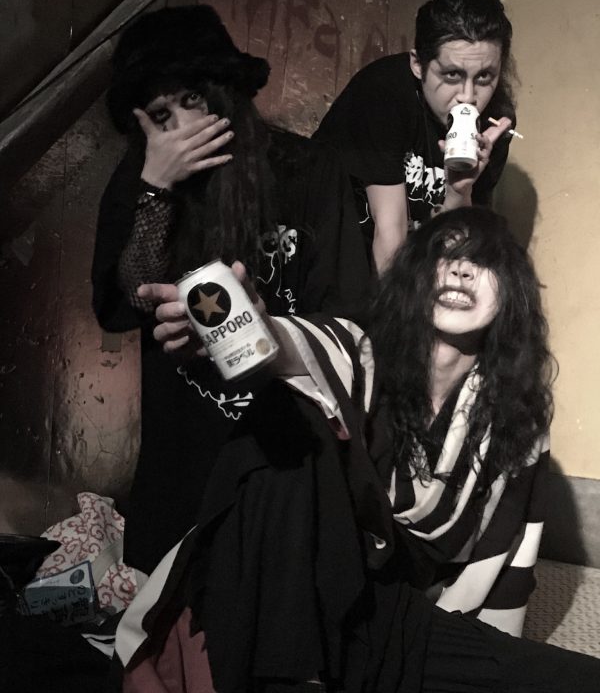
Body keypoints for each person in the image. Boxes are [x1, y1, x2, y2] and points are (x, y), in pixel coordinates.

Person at [112, 208, 600, 693]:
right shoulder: (358, 350)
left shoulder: (517, 419)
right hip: (299, 584)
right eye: (443, 254)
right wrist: (251, 327)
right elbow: (295, 348)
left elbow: (509, 556)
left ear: (512, 293)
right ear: (415, 276)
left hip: (392, 616)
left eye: (484, 260)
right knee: (293, 420)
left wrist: (486, 649)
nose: (460, 269)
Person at [91, 4, 370, 575]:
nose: (180, 128)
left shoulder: (307, 169)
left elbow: (349, 315)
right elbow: (127, 302)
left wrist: (269, 330)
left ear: (225, 91)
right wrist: (155, 190)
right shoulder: (142, 179)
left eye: (192, 99)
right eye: (161, 114)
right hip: (184, 459)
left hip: (287, 451)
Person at [313, 0, 516, 273]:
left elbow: (455, 241)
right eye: (452, 74)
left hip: (413, 264)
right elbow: (389, 234)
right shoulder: (385, 93)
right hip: (331, 256)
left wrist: (459, 191)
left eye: (484, 77)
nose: (468, 96)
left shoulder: (495, 120)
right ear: (418, 64)